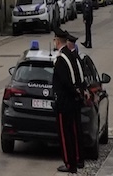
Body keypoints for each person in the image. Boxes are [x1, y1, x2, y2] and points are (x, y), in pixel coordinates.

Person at [53, 29, 88, 173]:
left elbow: (65, 82)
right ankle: (77, 159)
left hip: (64, 102)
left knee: (65, 134)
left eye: (55, 40)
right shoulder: (70, 56)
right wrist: (78, 92)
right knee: (73, 132)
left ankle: (69, 163)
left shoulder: (62, 59)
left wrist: (75, 92)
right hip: (72, 100)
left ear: (57, 41)